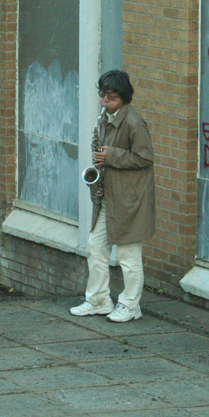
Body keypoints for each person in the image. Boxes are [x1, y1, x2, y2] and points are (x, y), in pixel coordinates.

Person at [70, 70, 155, 323]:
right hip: (109, 196)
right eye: (103, 95)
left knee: (129, 257)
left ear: (124, 97)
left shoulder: (134, 122)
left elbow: (145, 157)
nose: (105, 101)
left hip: (130, 200)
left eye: (112, 97)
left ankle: (131, 306)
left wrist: (111, 156)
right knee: (96, 248)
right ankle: (98, 300)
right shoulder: (104, 118)